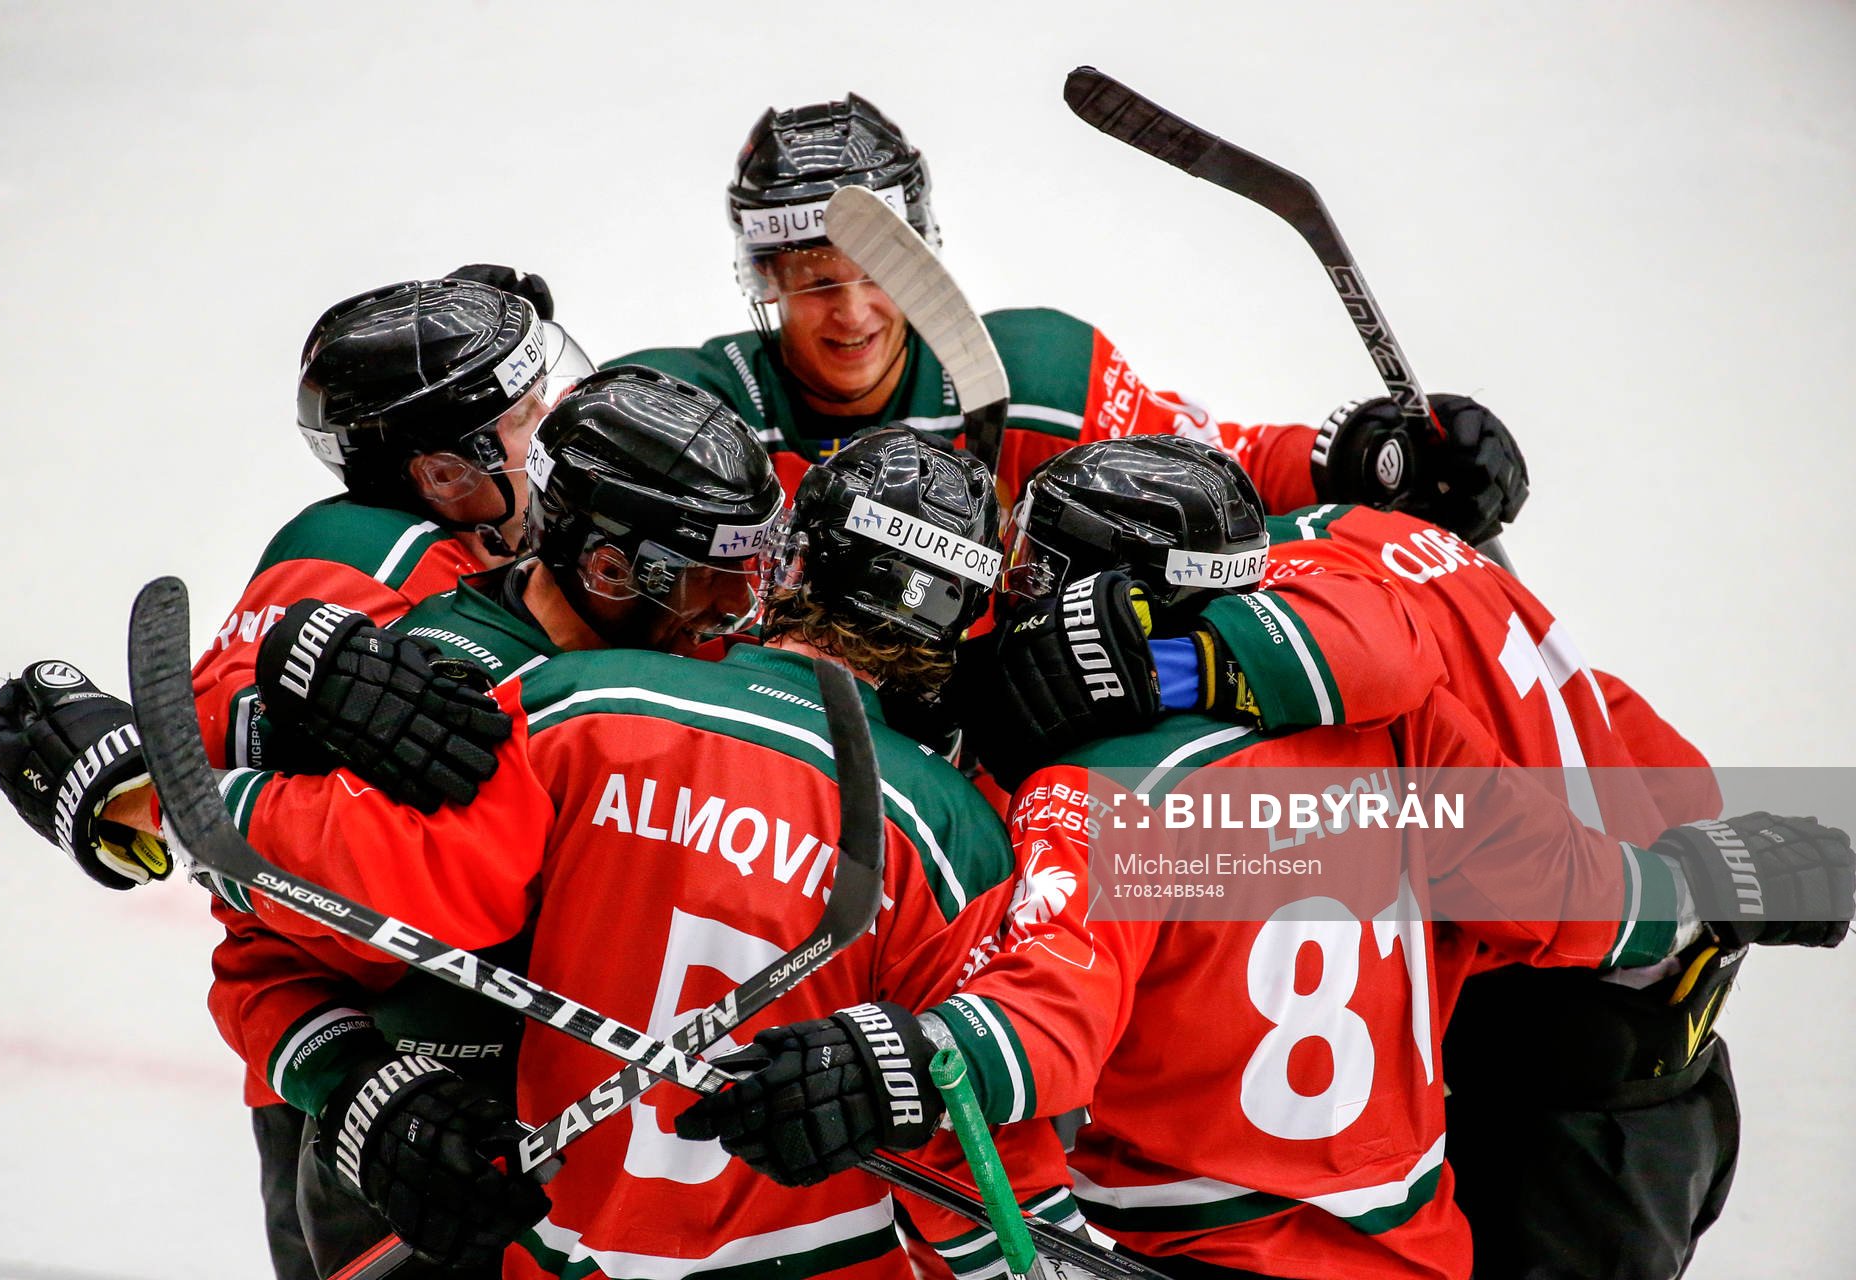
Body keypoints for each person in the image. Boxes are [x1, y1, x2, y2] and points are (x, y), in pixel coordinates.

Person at [680, 437, 1855, 1280]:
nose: (1013, 606)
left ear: (1115, 600)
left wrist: (894, 1059)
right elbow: (1596, 902)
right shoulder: (1401, 750)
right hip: (1429, 1249)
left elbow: (1040, 1025)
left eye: (1036, 576)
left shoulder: (1104, 799)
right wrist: (1730, 878)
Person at [87, 397, 1034, 1278]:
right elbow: (265, 940)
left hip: (551, 1204)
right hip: (412, 1153)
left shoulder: (615, 688)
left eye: (756, 563)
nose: (736, 606)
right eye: (711, 573)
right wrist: (352, 1086)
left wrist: (180, 795)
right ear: (612, 568)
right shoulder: (452, 680)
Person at [952, 483, 1782, 1277]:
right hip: (1622, 1060)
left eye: (1031, 572)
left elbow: (1040, 1027)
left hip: (1565, 1090)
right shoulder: (1356, 585)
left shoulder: (1147, 778)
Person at [0, 268, 587, 1280]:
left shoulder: (499, 554)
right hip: (398, 1097)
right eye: (534, 416)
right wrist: (221, 749)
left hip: (476, 1070)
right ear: (444, 471)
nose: (565, 437)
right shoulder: (341, 560)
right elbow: (237, 859)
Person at [607, 93, 1525, 542]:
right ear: (763, 278)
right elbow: (515, 536)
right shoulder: (686, 409)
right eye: (813, 279)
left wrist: (1371, 455)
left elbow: (1218, 471)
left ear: (924, 253)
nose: (852, 312)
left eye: (881, 270)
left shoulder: (1042, 373)